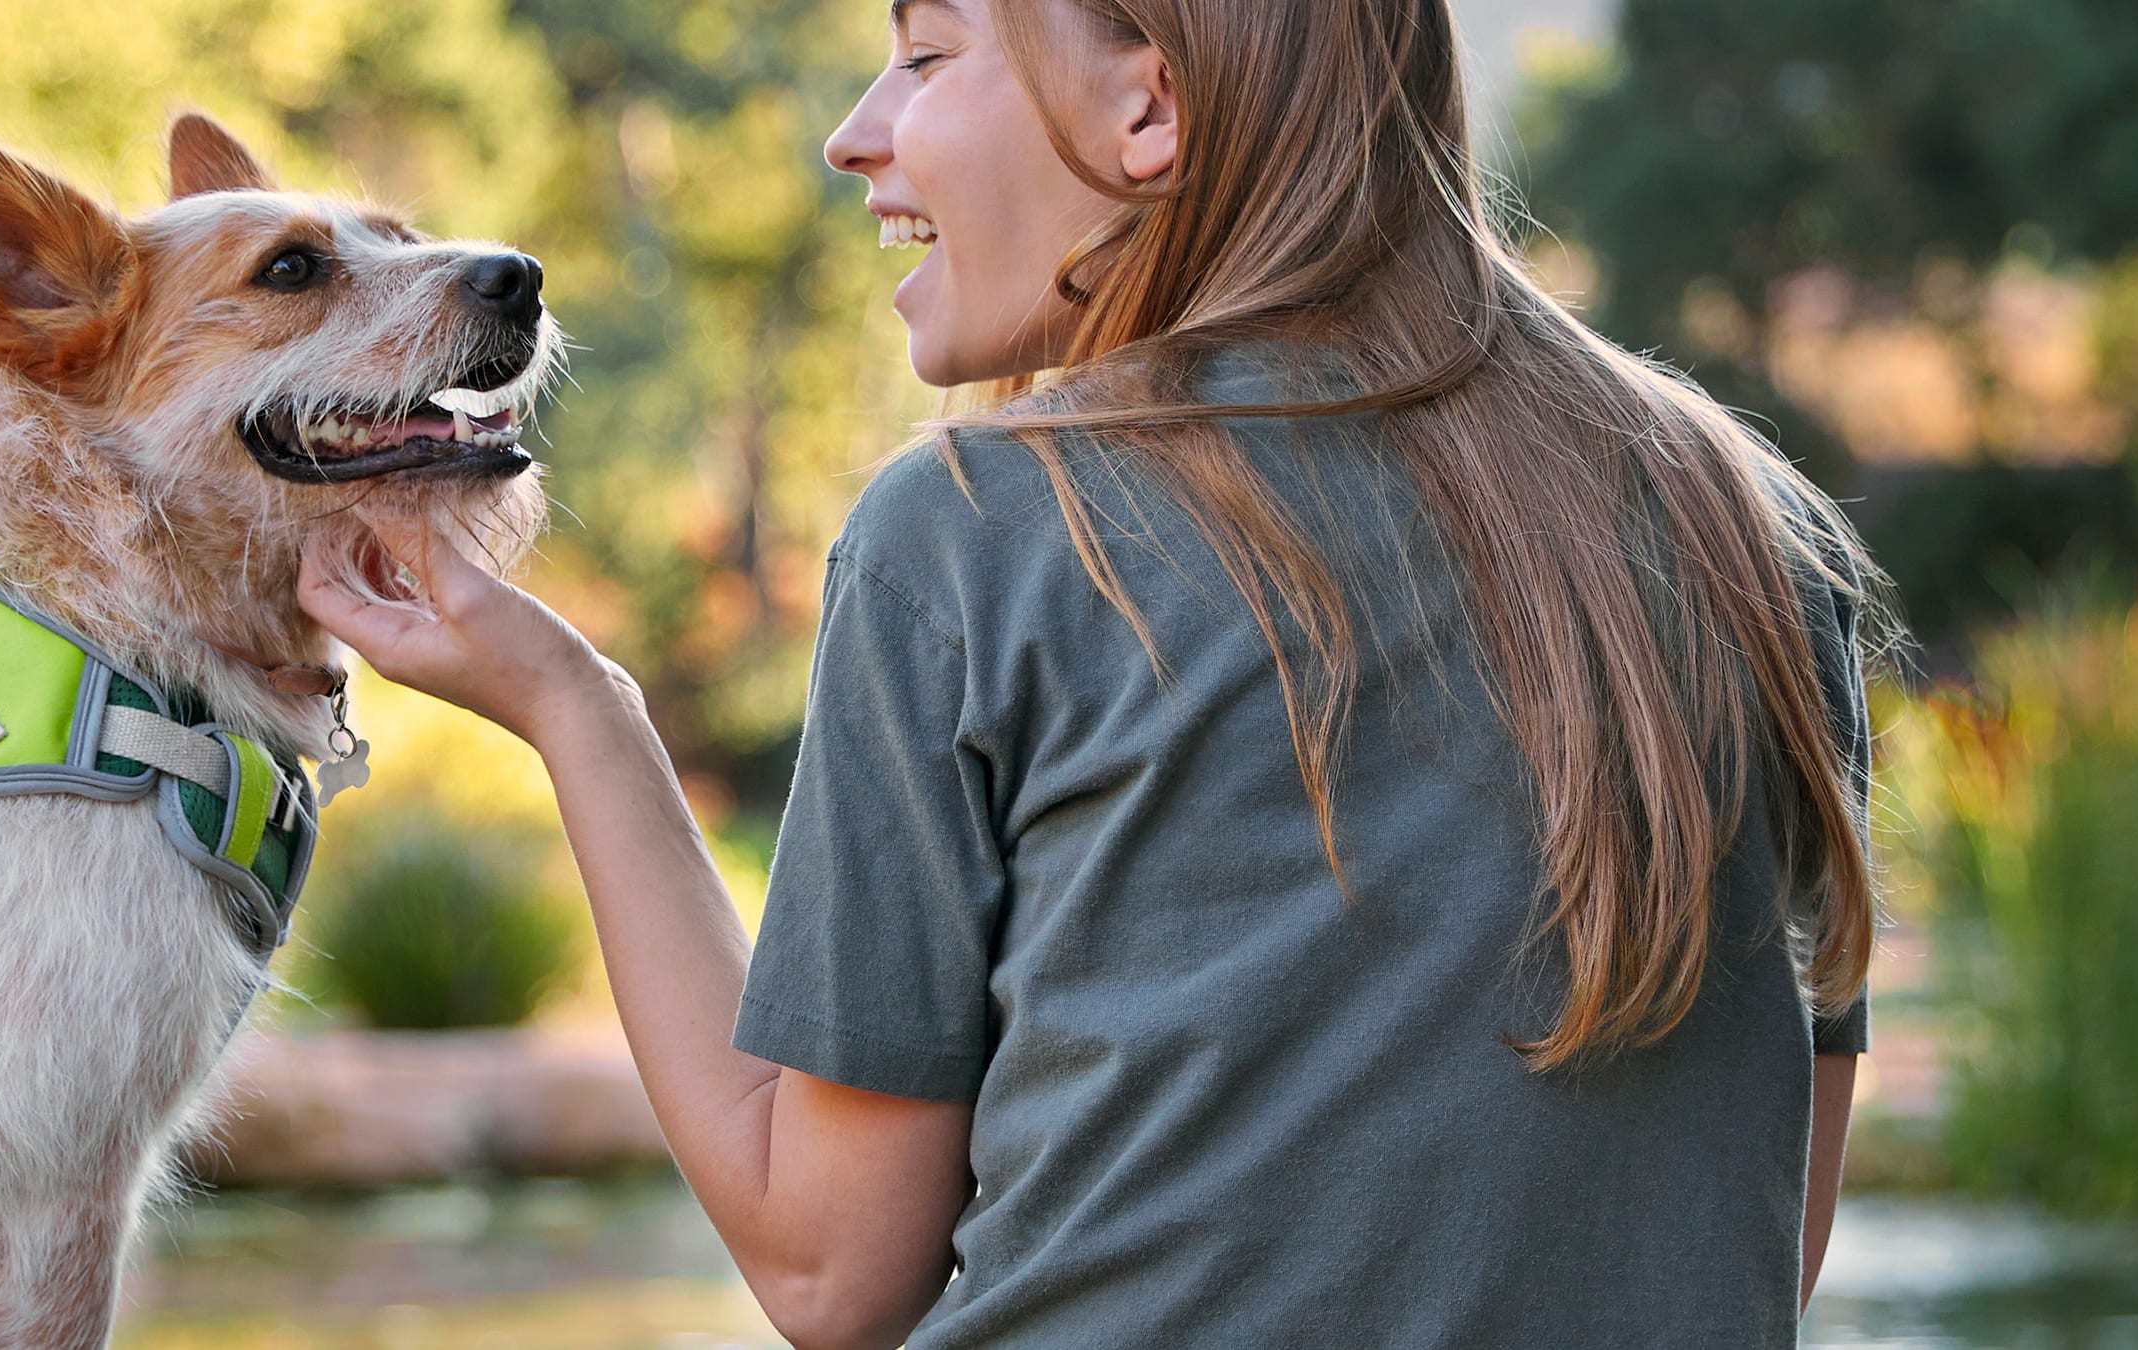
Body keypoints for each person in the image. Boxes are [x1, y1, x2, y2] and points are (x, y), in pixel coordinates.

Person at [295, 0, 1890, 1344]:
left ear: (1150, 108)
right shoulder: (1758, 537)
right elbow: (1758, 1245)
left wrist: (580, 710)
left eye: (926, 55)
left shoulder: (979, 530)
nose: (857, 131)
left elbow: (828, 1265)